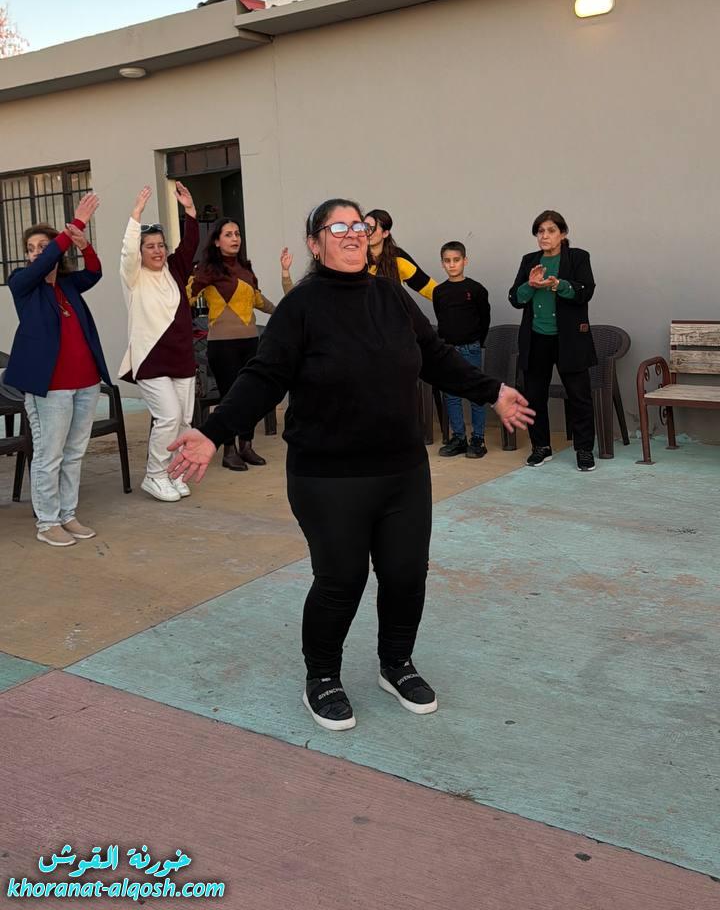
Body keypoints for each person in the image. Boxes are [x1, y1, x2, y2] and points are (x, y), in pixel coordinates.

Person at [167, 199, 534, 732]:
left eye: (358, 225)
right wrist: (213, 431)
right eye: (337, 226)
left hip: (402, 470)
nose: (352, 233)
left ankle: (396, 663)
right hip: (327, 475)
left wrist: (492, 391)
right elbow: (264, 376)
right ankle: (321, 676)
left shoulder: (391, 296)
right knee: (342, 579)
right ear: (315, 244)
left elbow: (435, 356)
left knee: (406, 575)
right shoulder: (301, 306)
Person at [5, 192, 110, 547]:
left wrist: (84, 243)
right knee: (50, 455)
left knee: (74, 452)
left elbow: (94, 273)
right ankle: (47, 521)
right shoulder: (22, 283)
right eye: (31, 248)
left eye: (43, 246)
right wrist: (75, 223)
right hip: (51, 386)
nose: (36, 252)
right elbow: (41, 266)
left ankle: (67, 514)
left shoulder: (67, 283)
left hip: (86, 383)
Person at [120, 182, 199, 501]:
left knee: (184, 421)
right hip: (151, 360)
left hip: (182, 358)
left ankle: (173, 473)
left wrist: (189, 210)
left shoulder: (174, 269)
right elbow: (127, 253)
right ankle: (154, 475)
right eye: (149, 246)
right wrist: (136, 215)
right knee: (168, 417)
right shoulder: (133, 276)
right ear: (140, 251)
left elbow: (190, 245)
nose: (156, 251)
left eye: (160, 245)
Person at [508, 209, 597, 473]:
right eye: (540, 231)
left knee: (579, 396)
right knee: (534, 396)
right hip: (536, 339)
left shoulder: (578, 257)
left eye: (550, 230)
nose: (544, 236)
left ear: (563, 233)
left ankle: (584, 450)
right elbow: (515, 298)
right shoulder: (529, 260)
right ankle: (541, 447)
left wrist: (559, 285)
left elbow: (586, 291)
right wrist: (531, 285)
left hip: (569, 339)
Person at [188, 218, 275, 471]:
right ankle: (229, 450)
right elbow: (187, 297)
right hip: (222, 345)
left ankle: (246, 445)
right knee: (229, 397)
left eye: (237, 234)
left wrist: (282, 311)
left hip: (250, 342)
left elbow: (258, 300)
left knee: (250, 395)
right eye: (228, 234)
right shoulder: (207, 270)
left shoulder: (246, 269)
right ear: (217, 241)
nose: (235, 238)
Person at [434, 241, 491, 460]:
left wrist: (476, 342)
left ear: (465, 261)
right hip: (448, 351)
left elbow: (484, 319)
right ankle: (458, 437)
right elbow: (441, 319)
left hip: (471, 348)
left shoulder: (476, 289)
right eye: (447, 261)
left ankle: (478, 439)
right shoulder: (439, 291)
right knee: (451, 395)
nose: (452, 264)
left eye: (456, 260)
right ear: (442, 263)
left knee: (476, 394)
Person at [365, 209, 438, 299]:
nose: (367, 232)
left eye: (372, 228)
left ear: (385, 233)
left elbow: (428, 287)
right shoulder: (354, 256)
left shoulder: (398, 259)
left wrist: (452, 301)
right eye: (364, 227)